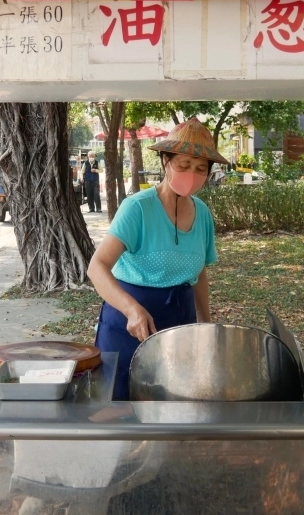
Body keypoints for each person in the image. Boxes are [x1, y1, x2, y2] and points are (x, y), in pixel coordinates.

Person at [87, 118, 228, 400]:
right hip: (130, 321)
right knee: (120, 403)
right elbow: (96, 267)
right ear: (166, 160)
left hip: (180, 320)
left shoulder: (202, 214)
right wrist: (131, 310)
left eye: (201, 168)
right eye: (184, 165)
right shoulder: (138, 208)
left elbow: (199, 272)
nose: (192, 174)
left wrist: (205, 324)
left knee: (173, 401)